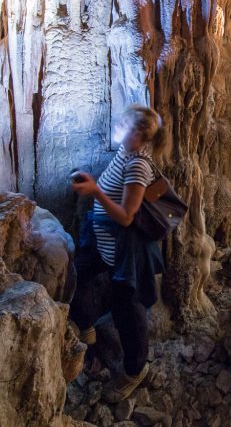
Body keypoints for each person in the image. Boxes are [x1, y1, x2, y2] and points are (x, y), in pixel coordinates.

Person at [69, 105, 166, 401]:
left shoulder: (139, 166)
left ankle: (136, 370)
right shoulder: (125, 155)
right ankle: (85, 326)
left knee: (128, 310)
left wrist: (95, 192)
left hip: (126, 254)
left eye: (127, 124)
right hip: (103, 245)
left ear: (139, 135)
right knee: (76, 273)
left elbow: (126, 216)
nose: (120, 125)